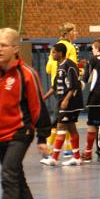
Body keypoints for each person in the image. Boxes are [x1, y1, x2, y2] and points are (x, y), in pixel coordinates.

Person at [0, 28, 51, 199]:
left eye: (3, 45)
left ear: (15, 48)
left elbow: (38, 106)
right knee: (17, 178)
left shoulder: (26, 74)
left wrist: (42, 137)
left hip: (20, 132)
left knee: (8, 175)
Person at [40, 43, 84, 167]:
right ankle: (77, 157)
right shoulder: (60, 66)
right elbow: (54, 87)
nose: (52, 55)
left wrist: (66, 100)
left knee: (61, 127)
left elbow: (74, 84)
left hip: (70, 102)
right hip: (63, 102)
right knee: (71, 128)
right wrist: (44, 97)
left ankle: (54, 158)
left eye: (53, 52)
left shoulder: (69, 65)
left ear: (60, 53)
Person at [44, 22, 78, 156]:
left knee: (65, 117)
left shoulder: (54, 48)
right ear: (68, 33)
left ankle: (68, 149)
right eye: (75, 31)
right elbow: (73, 68)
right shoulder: (70, 47)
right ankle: (50, 148)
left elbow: (47, 69)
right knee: (62, 118)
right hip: (66, 87)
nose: (77, 34)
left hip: (55, 85)